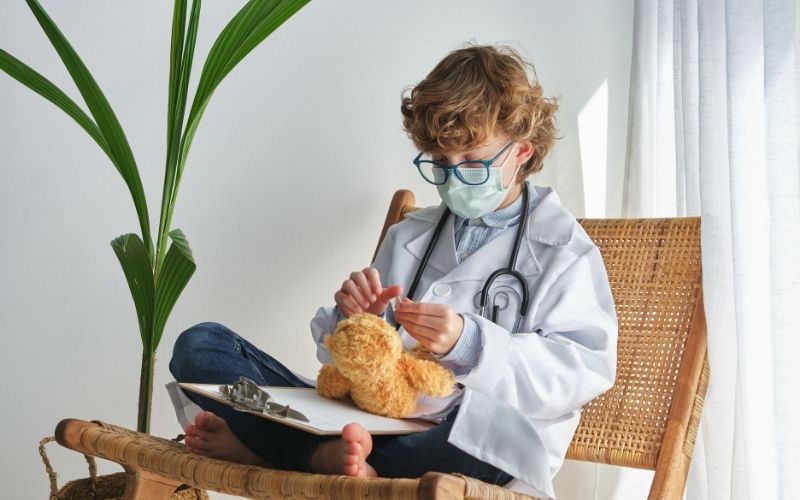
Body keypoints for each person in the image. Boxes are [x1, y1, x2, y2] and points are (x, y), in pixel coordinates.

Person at [168, 44, 617, 499]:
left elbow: (584, 369)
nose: (453, 177)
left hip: (458, 443)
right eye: (439, 163)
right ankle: (323, 457)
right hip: (366, 422)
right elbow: (350, 362)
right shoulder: (410, 235)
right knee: (201, 346)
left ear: (521, 151)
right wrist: (354, 320)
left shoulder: (564, 251)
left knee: (488, 437)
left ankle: (286, 451)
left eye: (472, 162)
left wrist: (473, 344)